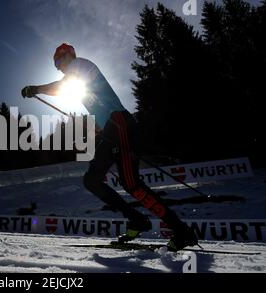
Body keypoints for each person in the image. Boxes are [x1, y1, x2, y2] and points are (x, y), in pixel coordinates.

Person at [21, 43, 198, 251]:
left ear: (68, 56)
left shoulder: (80, 65)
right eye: (55, 64)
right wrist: (97, 126)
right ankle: (136, 220)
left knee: (132, 185)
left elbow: (64, 87)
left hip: (120, 123)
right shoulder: (79, 71)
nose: (58, 67)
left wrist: (37, 89)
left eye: (58, 61)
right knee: (92, 180)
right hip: (111, 127)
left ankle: (182, 232)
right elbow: (98, 100)